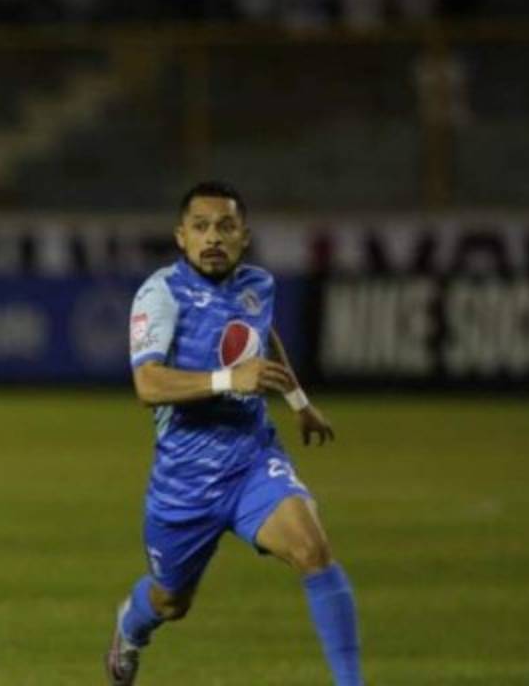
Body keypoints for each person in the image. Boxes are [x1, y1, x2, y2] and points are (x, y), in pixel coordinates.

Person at [105, 182, 362, 686]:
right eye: (200, 227)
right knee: (171, 600)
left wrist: (298, 402)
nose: (213, 237)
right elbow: (147, 384)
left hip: (250, 459)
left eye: (226, 226)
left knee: (313, 549)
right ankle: (130, 629)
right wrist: (229, 379)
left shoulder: (258, 284)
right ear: (182, 237)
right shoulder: (160, 294)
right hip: (184, 482)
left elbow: (261, 334)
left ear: (245, 236)